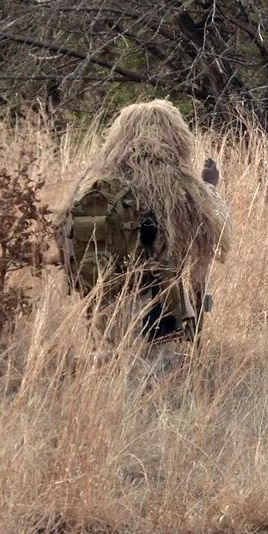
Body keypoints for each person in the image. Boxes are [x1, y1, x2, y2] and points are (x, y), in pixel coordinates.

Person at [60, 100, 230, 353]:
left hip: (101, 303)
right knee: (156, 377)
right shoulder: (171, 181)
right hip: (152, 307)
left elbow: (63, 237)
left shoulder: (91, 181)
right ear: (175, 135)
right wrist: (210, 187)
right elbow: (214, 234)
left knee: (113, 365)